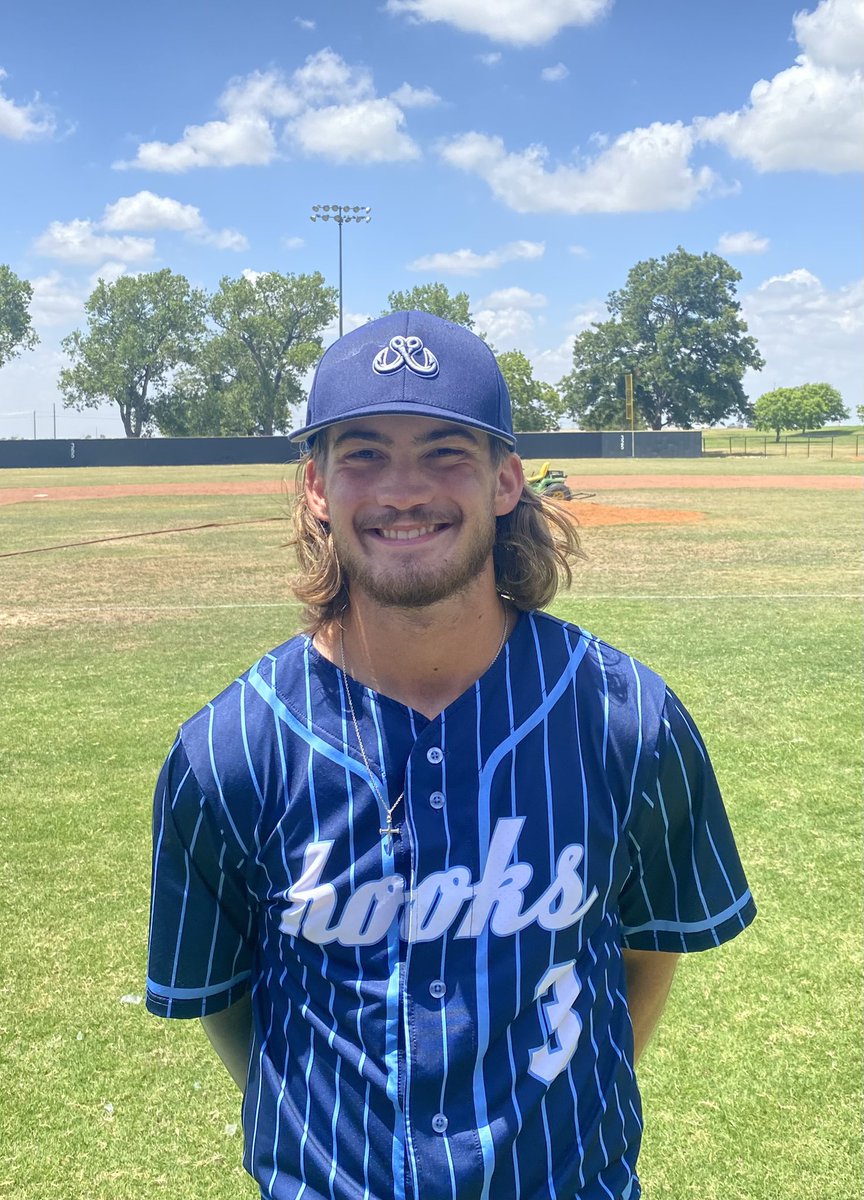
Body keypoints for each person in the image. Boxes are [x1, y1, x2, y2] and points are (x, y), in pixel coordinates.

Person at [146, 310, 756, 1200]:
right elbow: (235, 1003)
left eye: (444, 453)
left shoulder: (627, 717)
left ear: (506, 480)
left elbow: (644, 958)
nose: (402, 490)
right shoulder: (230, 749)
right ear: (315, 485)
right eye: (363, 454)